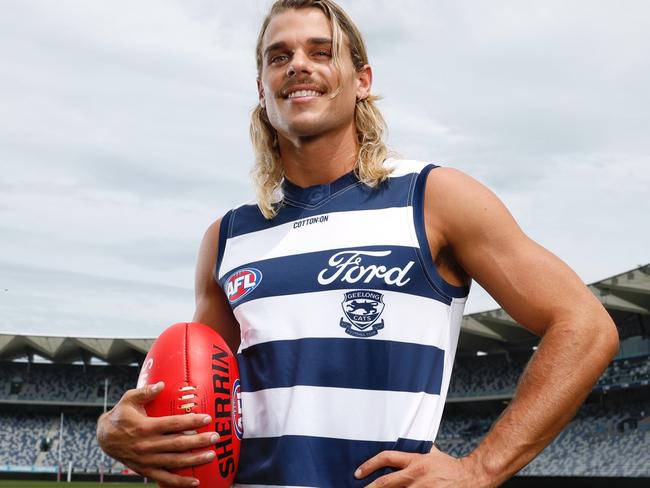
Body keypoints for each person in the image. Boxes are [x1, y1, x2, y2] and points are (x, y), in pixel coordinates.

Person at [96, 1, 619, 486]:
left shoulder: (434, 198)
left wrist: (481, 469)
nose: (298, 65)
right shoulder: (228, 236)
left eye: (320, 52)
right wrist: (115, 430)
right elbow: (192, 396)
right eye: (279, 57)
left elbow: (586, 326)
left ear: (362, 80)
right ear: (261, 87)